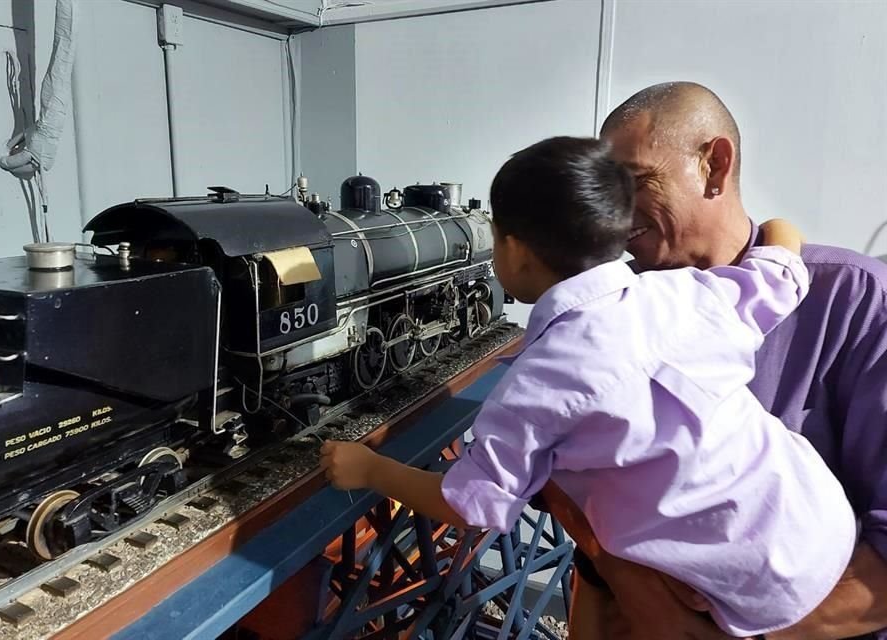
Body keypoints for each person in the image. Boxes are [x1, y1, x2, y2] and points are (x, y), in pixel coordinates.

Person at [320, 135, 858, 638]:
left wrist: (370, 470)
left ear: (516, 251)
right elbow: (783, 272)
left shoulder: (538, 382)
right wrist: (783, 226)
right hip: (824, 526)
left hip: (740, 595)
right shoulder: (684, 294)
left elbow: (476, 504)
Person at [558, 81, 887, 640]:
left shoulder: (854, 303)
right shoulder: (616, 311)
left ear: (715, 165)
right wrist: (616, 572)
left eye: (636, 183)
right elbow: (566, 476)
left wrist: (730, 632)